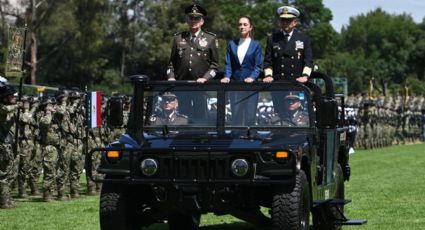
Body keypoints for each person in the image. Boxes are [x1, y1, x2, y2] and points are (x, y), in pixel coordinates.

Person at [166, 4, 218, 119]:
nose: (193, 21)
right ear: (187, 20)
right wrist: (171, 77)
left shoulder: (210, 39)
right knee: (183, 118)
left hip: (201, 88)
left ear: (202, 21)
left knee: (200, 119)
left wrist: (205, 78)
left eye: (197, 18)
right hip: (182, 87)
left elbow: (214, 66)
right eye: (191, 18)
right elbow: (171, 63)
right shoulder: (178, 38)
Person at [221, 16, 263, 126]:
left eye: (245, 24)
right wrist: (227, 76)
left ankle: (250, 140)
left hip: (251, 86)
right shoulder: (232, 44)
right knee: (236, 117)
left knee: (250, 116)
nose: (242, 27)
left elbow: (258, 66)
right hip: (236, 85)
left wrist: (252, 77)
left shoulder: (256, 45)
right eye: (240, 24)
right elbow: (228, 64)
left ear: (250, 28)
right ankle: (236, 139)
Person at [263, 6, 313, 83]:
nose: (285, 23)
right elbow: (267, 61)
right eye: (283, 20)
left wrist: (305, 76)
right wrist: (268, 76)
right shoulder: (272, 39)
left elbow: (308, 61)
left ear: (295, 22)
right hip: (277, 83)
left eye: (288, 20)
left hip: (298, 82)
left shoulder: (303, 39)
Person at [0, 84, 19, 208]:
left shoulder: (12, 108)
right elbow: (5, 110)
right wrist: (18, 106)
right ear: (4, 97)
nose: (14, 97)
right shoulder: (2, 107)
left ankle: (7, 198)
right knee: (3, 174)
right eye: (11, 95)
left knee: (10, 173)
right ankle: (3, 201)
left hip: (9, 143)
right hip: (2, 144)